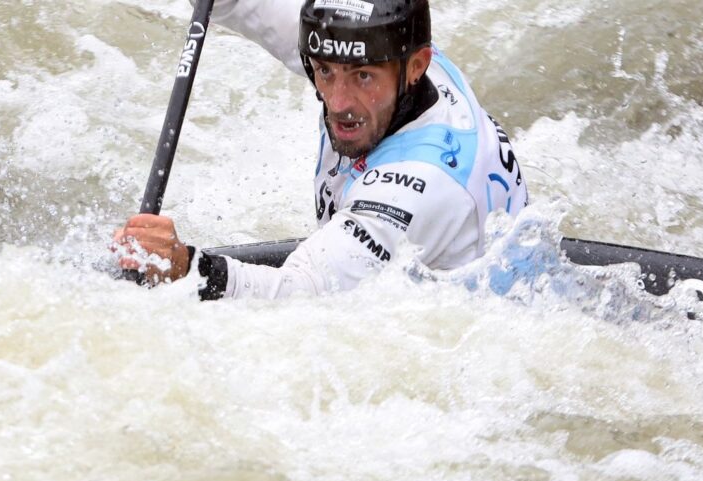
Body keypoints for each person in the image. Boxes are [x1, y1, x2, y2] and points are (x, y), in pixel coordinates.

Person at [114, 0, 528, 300]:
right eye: (323, 72)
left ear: (417, 66)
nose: (338, 101)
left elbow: (299, 298)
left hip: (462, 333)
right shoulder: (382, 60)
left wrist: (186, 265)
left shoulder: (418, 187)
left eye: (362, 77)